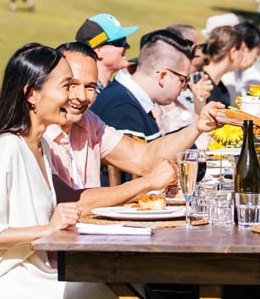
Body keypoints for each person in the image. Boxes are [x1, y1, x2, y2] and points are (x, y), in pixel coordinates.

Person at [0, 43, 155, 299]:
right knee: (112, 297)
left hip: (36, 275)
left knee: (129, 291)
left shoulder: (40, 148)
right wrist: (48, 228)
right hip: (3, 288)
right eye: (65, 86)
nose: (73, 96)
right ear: (31, 94)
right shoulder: (7, 149)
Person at [44, 41, 177, 205]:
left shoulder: (88, 122)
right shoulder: (36, 133)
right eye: (72, 85)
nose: (82, 96)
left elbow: (141, 157)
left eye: (90, 87)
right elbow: (70, 201)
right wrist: (148, 182)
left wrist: (198, 127)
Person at [91, 28, 224, 147]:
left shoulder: (128, 99)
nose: (184, 88)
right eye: (183, 80)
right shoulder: (123, 108)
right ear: (163, 76)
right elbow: (139, 169)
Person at [76, 12, 139, 94]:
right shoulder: (86, 97)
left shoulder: (109, 91)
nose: (127, 46)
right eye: (120, 42)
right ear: (98, 51)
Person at [201, 25, 246, 107]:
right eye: (242, 50)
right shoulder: (201, 85)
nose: (243, 55)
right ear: (233, 52)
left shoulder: (221, 88)